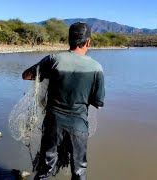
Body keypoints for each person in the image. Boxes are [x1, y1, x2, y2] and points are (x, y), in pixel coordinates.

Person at [22, 22, 105, 180]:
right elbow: (98, 104)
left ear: (69, 39)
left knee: (45, 167)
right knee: (79, 170)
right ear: (88, 42)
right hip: (79, 126)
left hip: (53, 124)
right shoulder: (97, 68)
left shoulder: (54, 59)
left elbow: (26, 75)